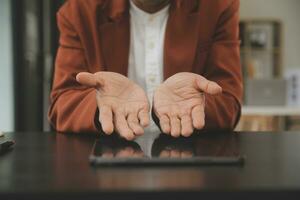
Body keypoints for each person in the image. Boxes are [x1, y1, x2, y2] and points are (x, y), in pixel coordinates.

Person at [48, 0, 243, 140]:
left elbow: (229, 102)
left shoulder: (218, 6)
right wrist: (100, 106)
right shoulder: (79, 11)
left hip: (190, 162)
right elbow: (62, 104)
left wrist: (195, 105)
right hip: (108, 165)